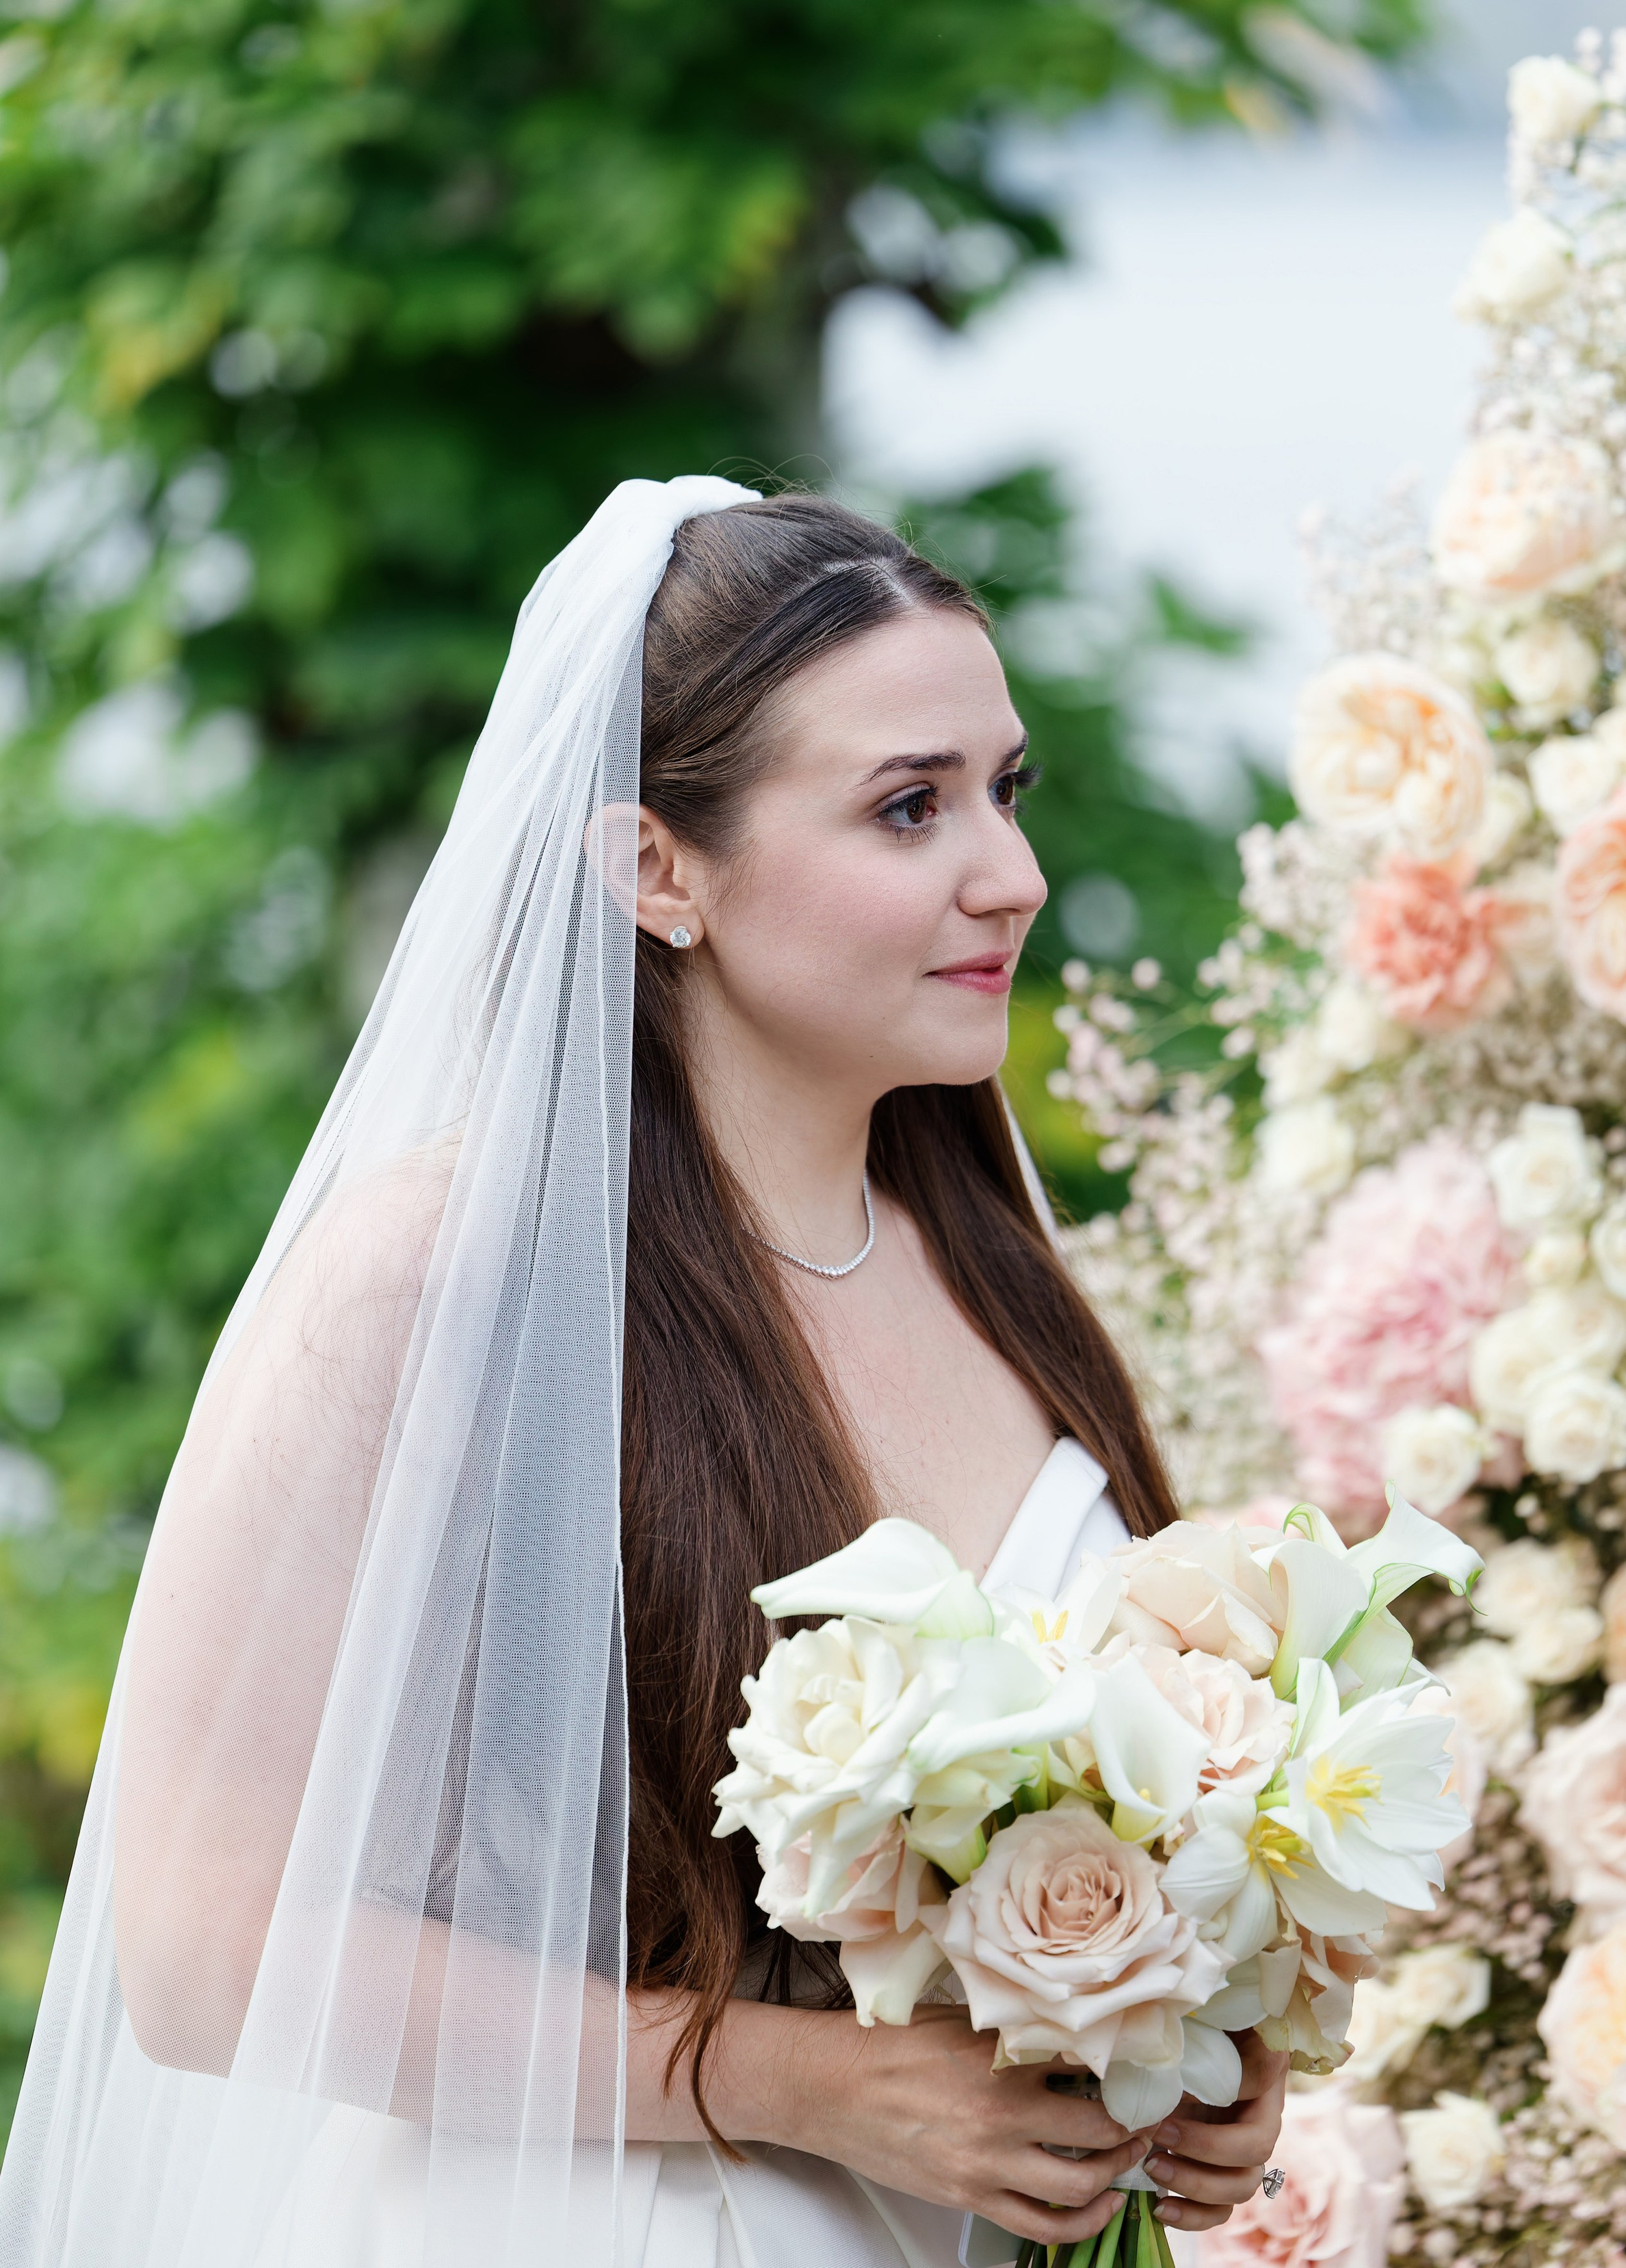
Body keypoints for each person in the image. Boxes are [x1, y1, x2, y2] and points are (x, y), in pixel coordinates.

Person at [0, 479, 1285, 2267]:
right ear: (655, 868)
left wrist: (1185, 2046)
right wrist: (794, 2079)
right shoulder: (435, 1278)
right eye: (910, 807)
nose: (1011, 872)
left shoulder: (997, 1267)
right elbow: (209, 1956)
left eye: (1007, 789)